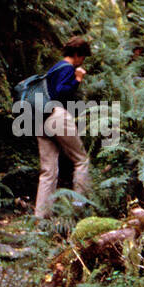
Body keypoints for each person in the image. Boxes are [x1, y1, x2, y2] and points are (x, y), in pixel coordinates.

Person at [34, 35, 92, 219]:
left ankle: (40, 219)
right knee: (81, 160)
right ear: (77, 54)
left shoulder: (55, 68)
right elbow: (61, 91)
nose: (82, 61)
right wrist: (77, 79)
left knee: (48, 171)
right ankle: (78, 209)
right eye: (82, 57)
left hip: (40, 118)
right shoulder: (68, 68)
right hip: (56, 115)